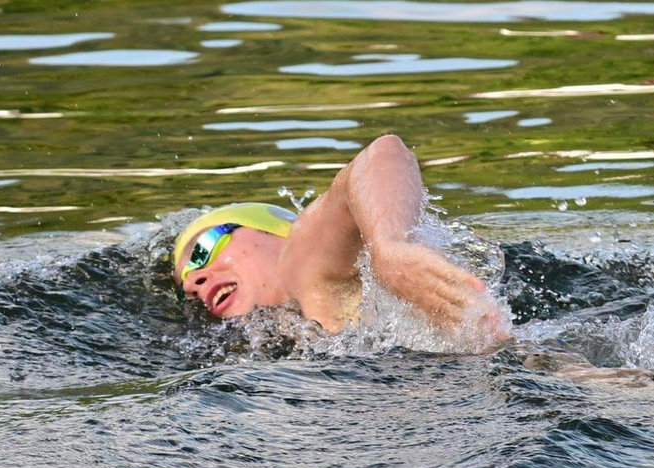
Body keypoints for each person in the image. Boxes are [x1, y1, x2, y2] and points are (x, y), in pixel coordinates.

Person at [172, 134, 509, 343]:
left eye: (202, 250)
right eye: (186, 282)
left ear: (270, 233)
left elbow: (382, 154)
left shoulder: (301, 262)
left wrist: (389, 247)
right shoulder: (282, 330)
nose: (193, 283)